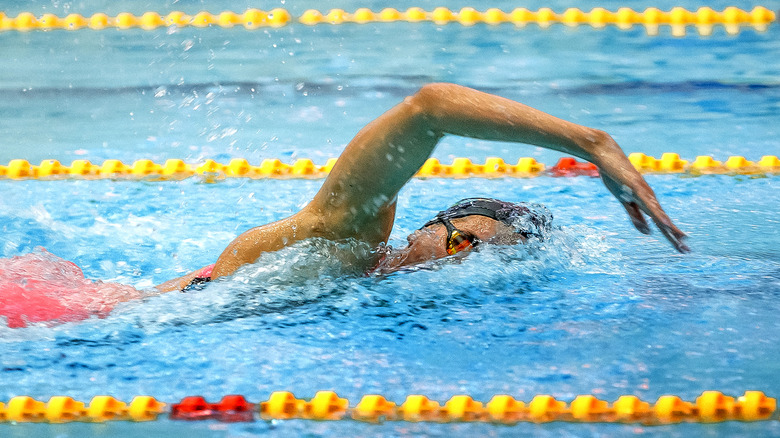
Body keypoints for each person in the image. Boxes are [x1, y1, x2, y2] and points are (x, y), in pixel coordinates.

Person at [156, 83, 688, 293]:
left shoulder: (369, 286)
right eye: (464, 244)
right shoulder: (352, 235)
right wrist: (592, 144)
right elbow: (429, 108)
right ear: (438, 228)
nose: (458, 261)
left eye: (481, 263)